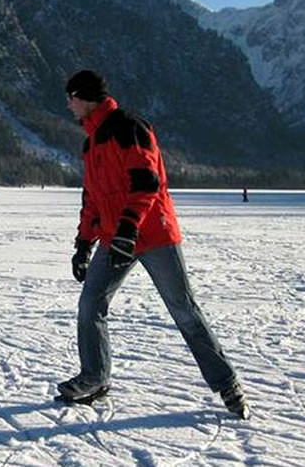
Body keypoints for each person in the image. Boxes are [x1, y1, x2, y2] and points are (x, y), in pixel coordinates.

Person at [59, 70, 249, 418]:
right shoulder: (91, 143)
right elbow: (93, 199)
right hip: (116, 239)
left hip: (153, 235)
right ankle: (94, 377)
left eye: (70, 98)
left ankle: (227, 384)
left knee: (184, 310)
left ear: (83, 96)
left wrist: (129, 228)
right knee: (90, 304)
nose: (68, 105)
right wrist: (84, 243)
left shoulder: (128, 127)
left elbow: (147, 182)